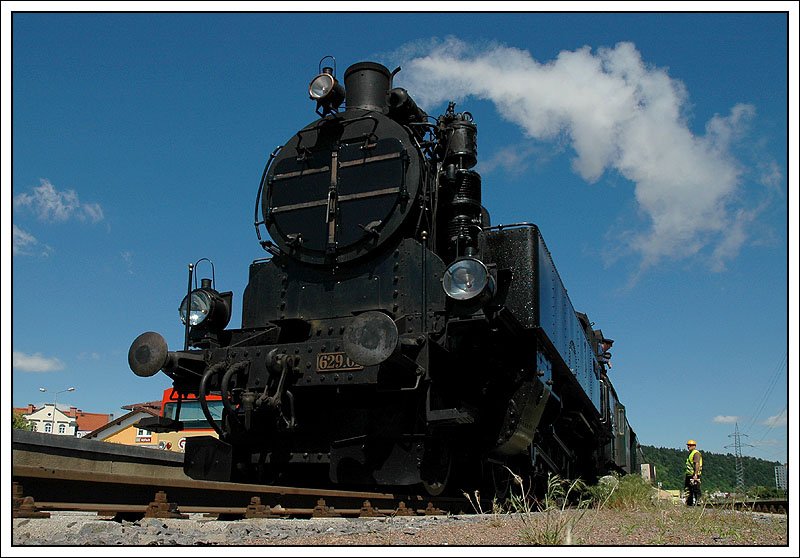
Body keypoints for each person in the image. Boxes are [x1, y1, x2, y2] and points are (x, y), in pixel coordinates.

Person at [684, 439, 703, 506]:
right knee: (688, 490)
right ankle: (689, 503)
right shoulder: (691, 454)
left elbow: (696, 464)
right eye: (688, 445)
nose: (688, 446)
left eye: (690, 445)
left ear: (694, 446)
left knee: (695, 489)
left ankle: (698, 503)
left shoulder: (696, 453)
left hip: (694, 475)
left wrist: (695, 474)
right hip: (689, 475)